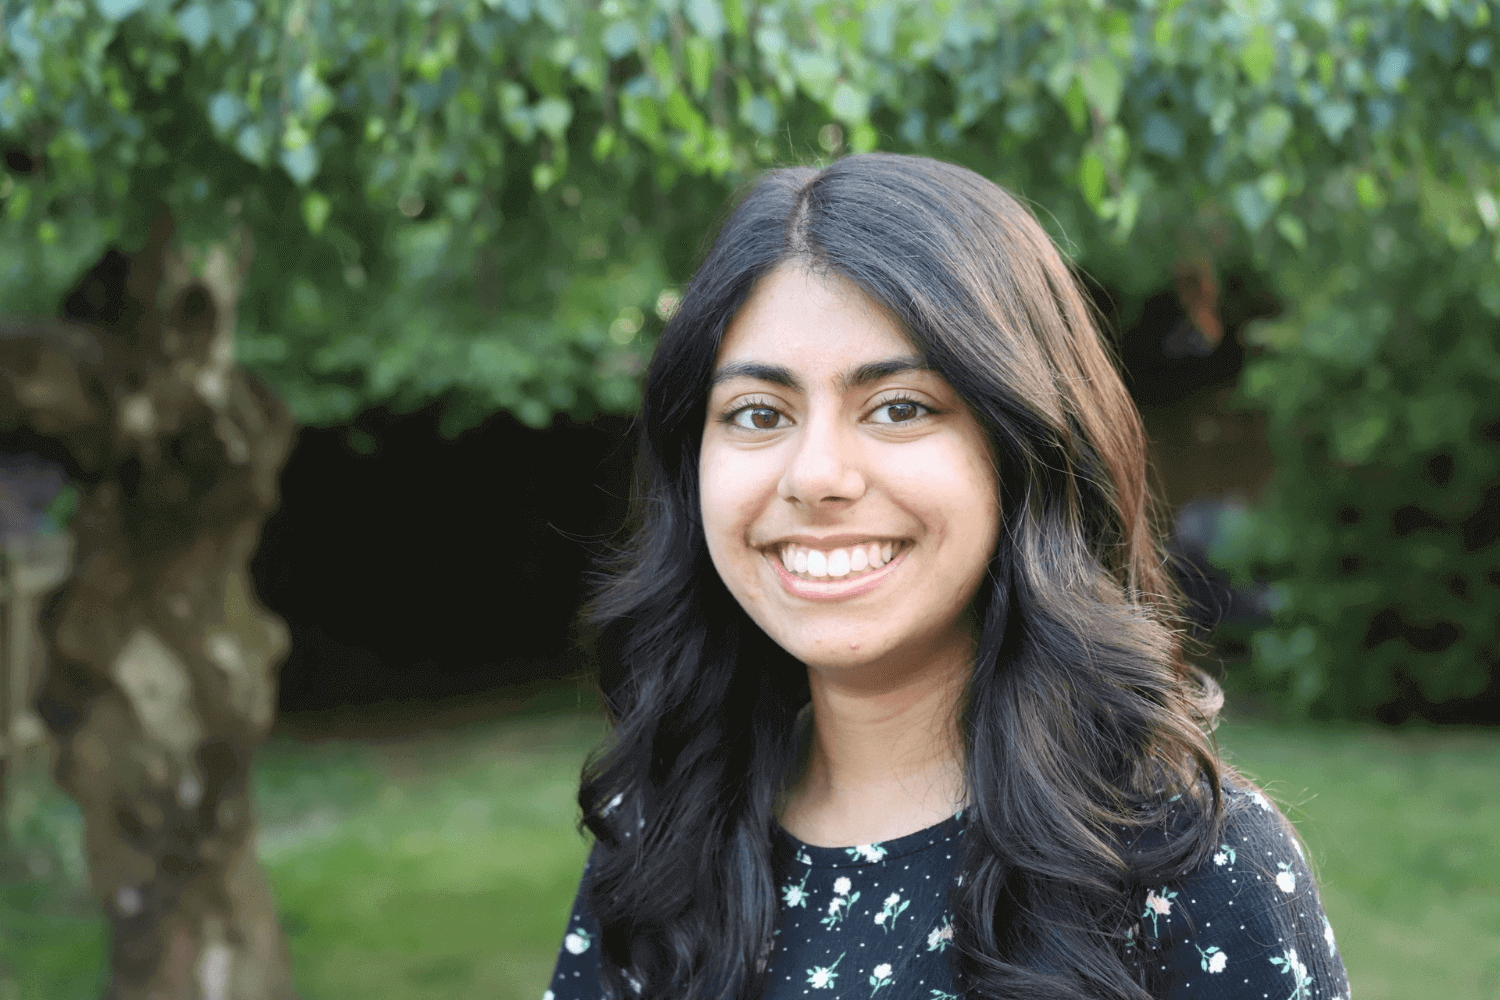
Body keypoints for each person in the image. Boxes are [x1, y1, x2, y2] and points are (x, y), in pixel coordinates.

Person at [547, 153, 1349, 1000]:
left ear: (1025, 450)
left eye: (900, 407)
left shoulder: (1193, 869)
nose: (816, 474)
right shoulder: (655, 839)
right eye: (758, 414)